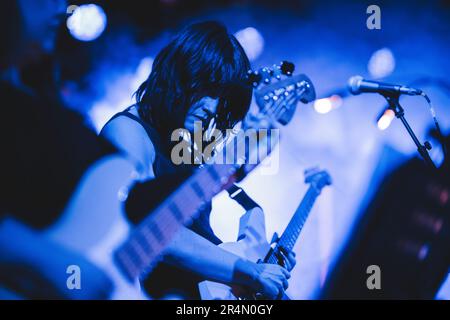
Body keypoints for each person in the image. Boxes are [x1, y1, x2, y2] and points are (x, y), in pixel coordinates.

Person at [101, 21, 296, 299]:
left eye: (223, 98)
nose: (213, 108)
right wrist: (250, 271)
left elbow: (200, 236)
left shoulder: (189, 141)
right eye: (208, 90)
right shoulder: (127, 133)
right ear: (179, 75)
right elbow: (157, 233)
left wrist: (259, 257)